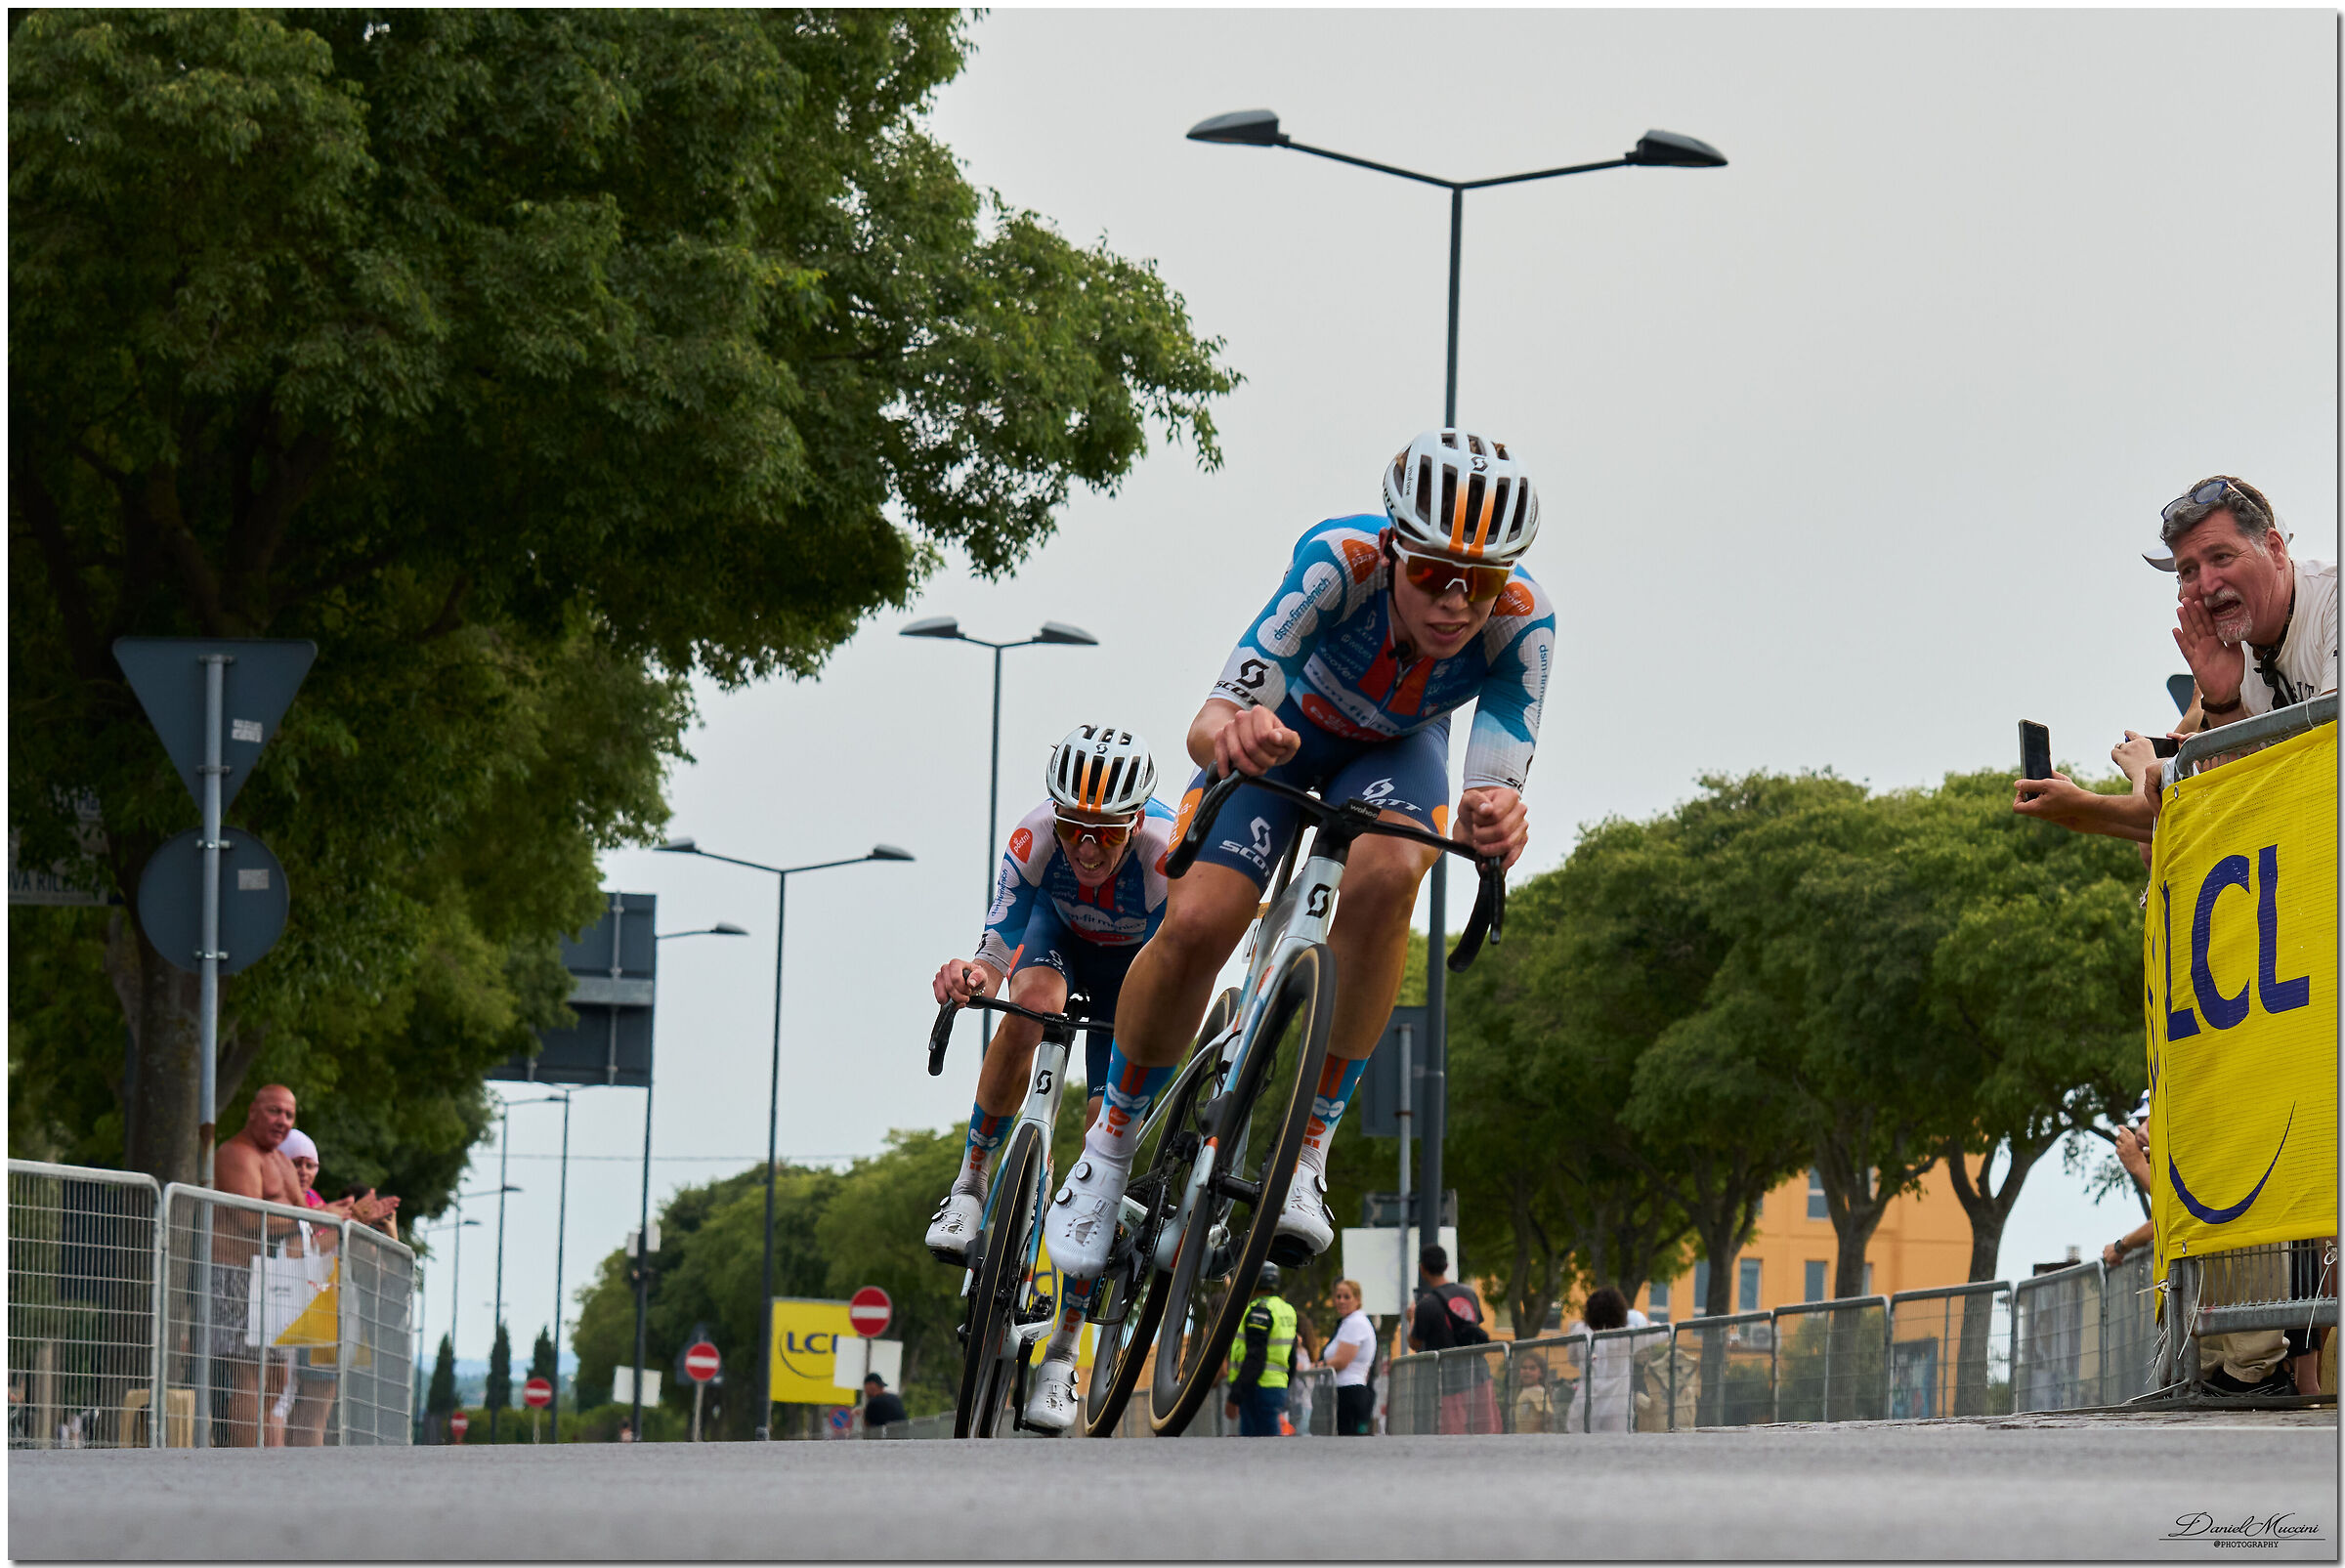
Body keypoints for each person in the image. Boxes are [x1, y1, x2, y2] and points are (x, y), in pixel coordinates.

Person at [1049, 429, 1552, 1296]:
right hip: (1284, 734)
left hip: (1395, 752)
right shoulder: (1337, 563)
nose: (1457, 604)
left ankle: (1307, 1148)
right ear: (1394, 550)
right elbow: (1207, 723)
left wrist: (1498, 817)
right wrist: (1236, 732)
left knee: (1395, 873)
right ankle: (1108, 1145)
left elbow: (1490, 792)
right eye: (1434, 574)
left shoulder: (1522, 625)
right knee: (1202, 921)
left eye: (1483, 582)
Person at [925, 724, 1177, 1433]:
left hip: (1136, 965)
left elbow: (1185, 965)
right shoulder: (1036, 838)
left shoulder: (1166, 854)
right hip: (1057, 939)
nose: (1086, 848)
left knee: (1109, 1146)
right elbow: (996, 951)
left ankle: (1066, 1351)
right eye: (1074, 828)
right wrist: (972, 976)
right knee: (1029, 1003)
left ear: (1134, 821)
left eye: (1103, 833)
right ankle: (972, 1183)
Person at [2153, 476, 2337, 730]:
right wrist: (2223, 703)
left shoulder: (2333, 597)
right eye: (2189, 571)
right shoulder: (2225, 657)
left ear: (2274, 549)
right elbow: (2247, 771)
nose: (2207, 585)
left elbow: (2332, 754)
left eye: (2221, 557)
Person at [212, 1084, 310, 1446]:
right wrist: (313, 1220)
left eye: (288, 1114)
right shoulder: (236, 1153)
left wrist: (341, 1215)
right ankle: (244, 1459)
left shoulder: (281, 1161)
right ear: (253, 1111)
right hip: (236, 1275)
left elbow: (304, 1216)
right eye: (274, 1111)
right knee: (249, 1374)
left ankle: (264, 1454)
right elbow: (251, 1219)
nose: (282, 1120)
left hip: (274, 1280)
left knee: (277, 1380)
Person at [1408, 1243, 1497, 1433]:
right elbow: (1476, 1324)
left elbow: (1414, 1343)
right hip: (1478, 1373)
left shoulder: (1426, 1305)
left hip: (1448, 1380)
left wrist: (1411, 1318)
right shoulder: (1469, 1293)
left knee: (1453, 1433)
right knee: (1484, 1430)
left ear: (1422, 1268)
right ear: (1446, 1266)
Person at [1222, 1261, 1299, 1436]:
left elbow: (1255, 1358)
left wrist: (1235, 1395)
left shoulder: (1259, 1311)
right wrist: (1283, 1385)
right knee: (1270, 1444)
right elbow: (1291, 1357)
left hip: (1257, 1389)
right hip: (1276, 1387)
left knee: (1258, 1450)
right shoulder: (1286, 1310)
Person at [1324, 1279, 1378, 1436]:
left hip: (1350, 1391)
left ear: (1358, 1300)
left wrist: (1318, 1366)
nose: (1341, 1301)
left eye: (1347, 1297)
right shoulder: (1348, 1322)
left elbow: (1341, 1361)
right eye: (1338, 1297)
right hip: (1345, 1390)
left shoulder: (1356, 1323)